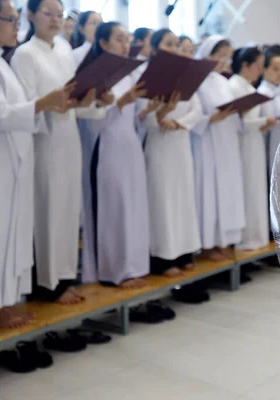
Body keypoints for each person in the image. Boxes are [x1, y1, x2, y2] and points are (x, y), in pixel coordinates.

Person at [0, 0, 73, 327]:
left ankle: (4, 299)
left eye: (16, 18)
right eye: (10, 19)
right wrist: (43, 103)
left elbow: (20, 111)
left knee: (10, 227)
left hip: (10, 153)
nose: (16, 26)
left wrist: (45, 106)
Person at [11, 0, 109, 304]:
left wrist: (89, 101)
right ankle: (46, 285)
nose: (55, 20)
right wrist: (53, 105)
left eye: (60, 15)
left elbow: (73, 98)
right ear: (30, 15)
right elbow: (26, 104)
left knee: (68, 208)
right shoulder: (24, 55)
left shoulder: (64, 50)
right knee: (48, 209)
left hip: (68, 139)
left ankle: (65, 278)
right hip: (44, 142)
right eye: (47, 13)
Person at [79, 21, 154, 288]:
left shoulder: (131, 74)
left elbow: (138, 119)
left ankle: (133, 267)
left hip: (130, 144)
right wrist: (121, 102)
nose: (126, 44)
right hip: (106, 145)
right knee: (113, 206)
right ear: (103, 43)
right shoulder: (96, 72)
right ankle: (113, 271)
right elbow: (91, 122)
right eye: (119, 39)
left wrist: (151, 109)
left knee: (133, 205)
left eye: (128, 38)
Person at [138, 28, 204, 278]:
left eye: (176, 44)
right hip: (159, 144)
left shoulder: (185, 73)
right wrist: (160, 116)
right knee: (162, 199)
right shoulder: (148, 76)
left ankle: (185, 251)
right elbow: (141, 116)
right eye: (168, 44)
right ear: (154, 48)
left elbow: (197, 109)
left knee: (182, 197)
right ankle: (163, 258)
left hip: (180, 141)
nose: (174, 48)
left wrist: (178, 122)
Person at [192, 35, 244, 261]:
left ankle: (223, 240)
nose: (223, 62)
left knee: (226, 190)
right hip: (207, 141)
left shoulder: (224, 81)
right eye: (219, 56)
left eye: (226, 57)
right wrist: (211, 119)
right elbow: (193, 114)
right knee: (210, 190)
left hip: (227, 141)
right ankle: (207, 244)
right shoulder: (197, 80)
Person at [229, 46, 276, 251]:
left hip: (254, 141)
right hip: (242, 144)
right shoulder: (234, 85)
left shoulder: (249, 87)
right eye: (258, 66)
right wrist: (261, 120)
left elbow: (250, 120)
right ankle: (246, 240)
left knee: (256, 188)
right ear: (245, 65)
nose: (260, 71)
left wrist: (264, 123)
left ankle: (256, 239)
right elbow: (237, 120)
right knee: (247, 188)